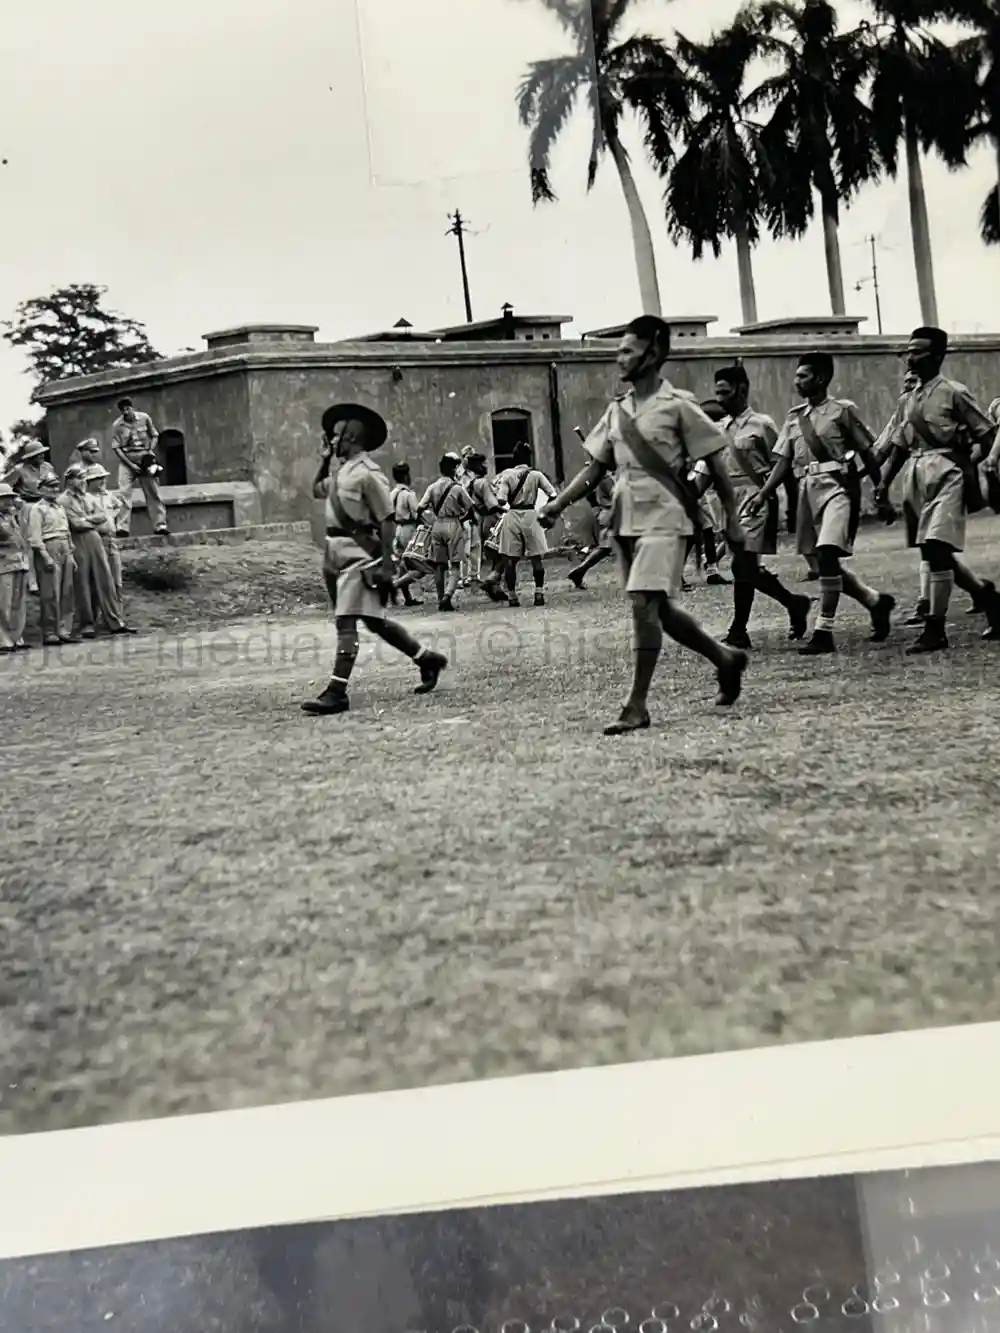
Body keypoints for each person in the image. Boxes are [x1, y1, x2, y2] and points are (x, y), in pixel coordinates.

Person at [539, 315, 749, 735]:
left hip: (667, 516)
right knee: (661, 611)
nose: (620, 359)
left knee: (642, 603)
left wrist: (732, 521)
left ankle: (636, 704)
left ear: (653, 353)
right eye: (619, 351)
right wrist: (558, 504)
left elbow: (717, 468)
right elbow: (595, 469)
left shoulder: (679, 407)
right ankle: (726, 658)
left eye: (628, 351)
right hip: (626, 519)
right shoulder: (618, 411)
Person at [300, 402, 448, 716]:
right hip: (336, 554)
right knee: (373, 622)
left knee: (346, 621)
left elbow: (387, 519)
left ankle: (337, 692)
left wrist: (385, 564)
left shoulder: (369, 475)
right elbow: (316, 489)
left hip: (360, 555)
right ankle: (426, 658)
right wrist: (325, 459)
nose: (331, 441)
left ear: (351, 436)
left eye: (336, 436)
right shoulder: (343, 473)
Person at [748, 351, 894, 655]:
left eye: (804, 376)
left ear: (822, 378)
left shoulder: (842, 411)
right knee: (821, 562)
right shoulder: (794, 417)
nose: (797, 381)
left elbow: (868, 452)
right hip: (806, 491)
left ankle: (824, 631)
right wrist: (763, 494)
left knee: (827, 554)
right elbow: (784, 462)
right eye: (797, 375)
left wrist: (881, 488)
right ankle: (875, 602)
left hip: (838, 488)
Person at [876, 326, 1000, 651]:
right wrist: (884, 484)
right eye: (909, 350)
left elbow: (985, 436)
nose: (911, 357)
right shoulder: (908, 399)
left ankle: (936, 629)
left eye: (918, 351)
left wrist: (967, 461)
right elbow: (901, 446)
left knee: (937, 547)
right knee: (932, 552)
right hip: (916, 476)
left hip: (948, 474)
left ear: (938, 355)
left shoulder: (954, 392)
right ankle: (989, 598)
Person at [708, 365, 811, 650]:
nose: (720, 399)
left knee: (743, 564)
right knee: (744, 567)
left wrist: (790, 508)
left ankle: (738, 630)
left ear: (742, 390)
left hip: (757, 497)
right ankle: (794, 603)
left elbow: (783, 464)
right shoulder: (720, 428)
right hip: (730, 500)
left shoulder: (762, 424)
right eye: (717, 393)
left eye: (725, 393)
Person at [59, 464, 135, 638]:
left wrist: (86, 519)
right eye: (79, 477)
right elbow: (76, 525)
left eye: (84, 477)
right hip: (78, 542)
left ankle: (115, 621)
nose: (83, 481)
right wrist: (90, 520)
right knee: (83, 582)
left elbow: (103, 517)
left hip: (96, 540)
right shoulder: (63, 500)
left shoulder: (88, 497)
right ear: (70, 480)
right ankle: (87, 624)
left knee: (105, 579)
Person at [489, 441, 557, 607]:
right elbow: (553, 494)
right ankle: (539, 593)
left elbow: (501, 499)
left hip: (512, 515)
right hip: (531, 515)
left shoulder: (507, 475)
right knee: (536, 558)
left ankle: (512, 596)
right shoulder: (536, 475)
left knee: (510, 559)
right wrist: (546, 509)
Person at [417, 451, 476, 612]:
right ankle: (447, 597)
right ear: (453, 469)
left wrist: (428, 521)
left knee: (439, 566)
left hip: (437, 525)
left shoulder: (432, 487)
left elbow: (420, 507)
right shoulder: (457, 488)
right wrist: (462, 519)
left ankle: (440, 597)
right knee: (455, 564)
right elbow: (470, 507)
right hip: (453, 524)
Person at [27, 473, 77, 645]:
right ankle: (50, 632)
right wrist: (45, 556)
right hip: (49, 546)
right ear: (40, 489)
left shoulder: (59, 508)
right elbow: (35, 537)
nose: (54, 490)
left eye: (56, 486)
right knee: (50, 592)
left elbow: (67, 531)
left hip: (64, 547)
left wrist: (71, 553)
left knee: (67, 591)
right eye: (49, 486)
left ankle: (64, 630)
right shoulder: (37, 509)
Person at [4, 438, 57, 596]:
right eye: (37, 454)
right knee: (30, 543)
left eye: (42, 453)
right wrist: (15, 500)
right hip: (27, 506)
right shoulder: (19, 470)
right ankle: (32, 581)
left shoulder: (48, 467)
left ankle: (47, 575)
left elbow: (54, 483)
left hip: (46, 505)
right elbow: (5, 487)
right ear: (29, 457)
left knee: (47, 540)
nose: (41, 457)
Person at [111, 396, 168, 536]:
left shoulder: (144, 418)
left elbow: (154, 435)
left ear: (132, 408)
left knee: (153, 492)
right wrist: (130, 465)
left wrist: (150, 450)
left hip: (145, 458)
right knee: (124, 493)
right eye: (123, 410)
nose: (126, 412)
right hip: (127, 459)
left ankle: (160, 525)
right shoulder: (117, 425)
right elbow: (117, 448)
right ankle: (122, 527)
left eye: (128, 408)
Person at [463, 451, 506, 600]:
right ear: (478, 465)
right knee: (503, 553)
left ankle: (496, 588)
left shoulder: (470, 484)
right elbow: (492, 505)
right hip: (491, 519)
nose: (486, 466)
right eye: (483, 463)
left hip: (481, 520)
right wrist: (507, 510)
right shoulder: (482, 483)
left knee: (496, 555)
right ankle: (492, 582)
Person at [567, 471, 615, 591]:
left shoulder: (597, 476)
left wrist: (595, 508)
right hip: (612, 512)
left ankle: (580, 571)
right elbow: (617, 496)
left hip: (607, 512)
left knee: (606, 548)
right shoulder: (606, 478)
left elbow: (588, 492)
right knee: (607, 547)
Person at [85, 464, 124, 599]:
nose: (103, 481)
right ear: (90, 481)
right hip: (96, 540)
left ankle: (117, 610)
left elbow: (119, 505)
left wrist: (112, 516)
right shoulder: (86, 498)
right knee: (100, 577)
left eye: (104, 478)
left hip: (111, 539)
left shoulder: (108, 495)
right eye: (99, 478)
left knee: (116, 577)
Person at [0, 483, 30, 652]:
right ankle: (3, 640)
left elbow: (22, 535)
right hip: (4, 564)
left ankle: (16, 637)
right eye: (5, 499)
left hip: (18, 561)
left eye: (10, 499)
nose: (9, 502)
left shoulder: (12, 516)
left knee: (18, 603)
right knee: (3, 604)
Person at [388, 462, 422, 607]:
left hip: (397, 529)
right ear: (405, 476)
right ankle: (393, 587)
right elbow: (416, 514)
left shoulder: (391, 494)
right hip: (409, 529)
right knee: (419, 567)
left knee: (403, 565)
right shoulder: (409, 494)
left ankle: (407, 598)